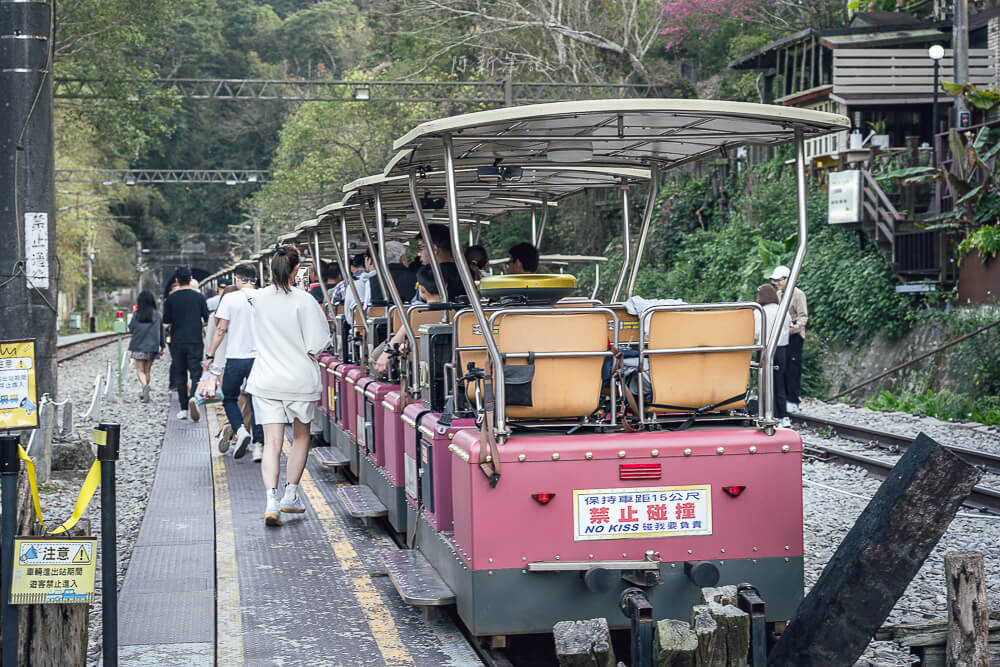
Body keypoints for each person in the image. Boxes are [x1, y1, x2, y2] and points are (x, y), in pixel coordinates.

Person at [245, 245, 331, 526]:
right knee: (301, 437)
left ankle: (271, 500)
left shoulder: (257, 299)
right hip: (299, 381)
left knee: (272, 441)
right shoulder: (305, 300)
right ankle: (290, 494)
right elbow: (318, 344)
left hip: (266, 380)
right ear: (297, 270)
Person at [203, 263, 264, 460]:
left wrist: (210, 355)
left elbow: (221, 329)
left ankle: (240, 429)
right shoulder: (264, 297)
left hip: (236, 359)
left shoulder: (229, 298)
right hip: (259, 359)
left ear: (237, 278)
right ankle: (258, 446)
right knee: (257, 402)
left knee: (229, 398)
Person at [374, 265, 441, 376]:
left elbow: (396, 341)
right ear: (446, 286)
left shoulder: (416, 313)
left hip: (418, 372)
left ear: (421, 288)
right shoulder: (456, 314)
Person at [163, 266, 209, 421]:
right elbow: (206, 320)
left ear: (176, 280)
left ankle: (183, 409)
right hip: (195, 340)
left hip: (177, 341)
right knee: (196, 372)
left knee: (180, 374)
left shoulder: (171, 298)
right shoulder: (199, 297)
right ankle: (194, 399)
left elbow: (166, 322)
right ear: (190, 279)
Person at [769, 265, 808, 413]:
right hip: (782, 336)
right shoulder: (778, 295)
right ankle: (783, 399)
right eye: (775, 281)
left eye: (779, 280)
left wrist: (795, 327)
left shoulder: (798, 294)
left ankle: (793, 399)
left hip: (795, 336)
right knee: (782, 368)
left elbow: (803, 316)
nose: (777, 283)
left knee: (793, 367)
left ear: (787, 279)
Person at [753, 283, 791, 428]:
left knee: (764, 384)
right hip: (781, 349)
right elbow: (787, 328)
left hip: (764, 350)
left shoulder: (759, 312)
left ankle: (768, 414)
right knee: (779, 383)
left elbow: (756, 332)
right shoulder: (782, 310)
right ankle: (783, 416)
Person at [128, 290, 165, 403]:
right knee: (147, 370)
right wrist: (162, 346)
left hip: (139, 346)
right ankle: (144, 392)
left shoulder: (137, 314)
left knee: (140, 370)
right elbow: (162, 331)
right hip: (152, 347)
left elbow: (131, 328)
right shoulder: (158, 315)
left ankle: (144, 387)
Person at [417, 224, 467, 302]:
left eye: (421, 247)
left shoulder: (428, 276)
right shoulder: (468, 274)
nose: (419, 253)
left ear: (434, 249)